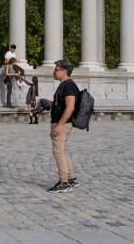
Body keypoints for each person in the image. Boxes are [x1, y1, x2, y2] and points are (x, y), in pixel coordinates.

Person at [47, 59, 80, 193]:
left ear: (64, 71)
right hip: (61, 122)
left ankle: (64, 182)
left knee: (58, 151)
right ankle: (71, 179)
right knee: (62, 150)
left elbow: (70, 107)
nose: (54, 71)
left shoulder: (69, 86)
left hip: (62, 123)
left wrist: (59, 126)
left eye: (56, 69)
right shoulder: (65, 85)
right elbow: (63, 105)